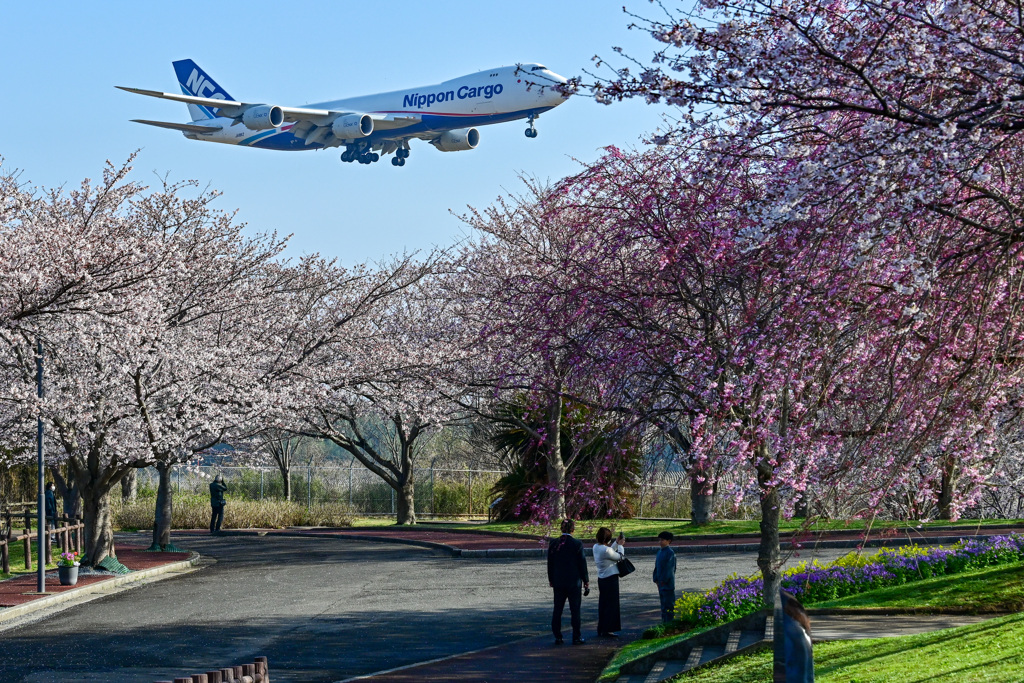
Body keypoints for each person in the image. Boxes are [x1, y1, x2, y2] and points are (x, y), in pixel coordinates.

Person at [547, 519, 589, 645]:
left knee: (558, 609)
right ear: (572, 529)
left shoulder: (554, 543)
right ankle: (576, 636)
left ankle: (558, 636)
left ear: (561, 528)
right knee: (575, 610)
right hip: (573, 581)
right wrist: (585, 580)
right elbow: (582, 563)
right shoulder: (577, 544)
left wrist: (551, 579)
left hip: (558, 580)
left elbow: (550, 563)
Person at [593, 527, 626, 637]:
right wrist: (620, 545)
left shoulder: (596, 547)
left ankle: (602, 628)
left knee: (603, 604)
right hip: (611, 579)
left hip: (602, 578)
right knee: (612, 605)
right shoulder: (606, 550)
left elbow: (609, 552)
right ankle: (608, 629)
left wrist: (616, 543)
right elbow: (619, 557)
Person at [653, 531, 677, 622]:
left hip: (667, 584)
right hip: (660, 582)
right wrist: (655, 579)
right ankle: (664, 622)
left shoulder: (670, 553)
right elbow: (656, 566)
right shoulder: (659, 552)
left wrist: (664, 580)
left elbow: (669, 569)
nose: (660, 542)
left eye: (662, 540)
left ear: (669, 541)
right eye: (659, 540)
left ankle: (669, 623)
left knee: (668, 605)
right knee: (663, 604)